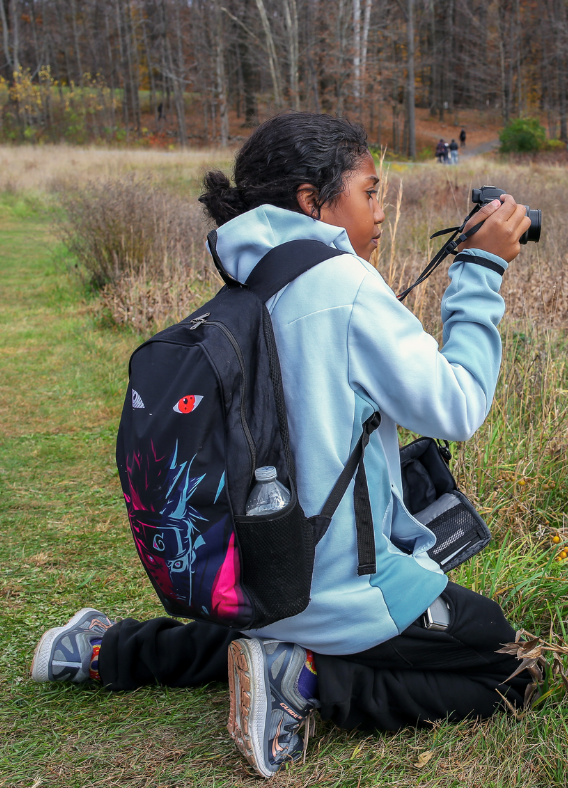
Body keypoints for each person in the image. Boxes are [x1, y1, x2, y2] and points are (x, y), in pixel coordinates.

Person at [29, 113, 534, 779]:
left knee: (259, 632)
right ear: (310, 200)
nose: (381, 212)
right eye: (370, 192)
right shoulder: (344, 285)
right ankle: (309, 679)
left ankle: (100, 650)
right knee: (507, 664)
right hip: (337, 589)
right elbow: (458, 406)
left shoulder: (250, 279)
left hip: (262, 573)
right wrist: (480, 268)